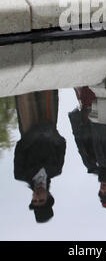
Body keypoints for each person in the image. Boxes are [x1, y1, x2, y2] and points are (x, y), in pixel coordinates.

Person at [14, 90, 66, 223]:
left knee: (25, 95)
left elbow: (20, 148)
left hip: (28, 127)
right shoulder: (55, 170)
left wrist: (35, 133)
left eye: (34, 200)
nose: (36, 197)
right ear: (49, 196)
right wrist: (52, 134)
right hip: (49, 124)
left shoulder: (21, 174)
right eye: (41, 200)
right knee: (47, 89)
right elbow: (61, 144)